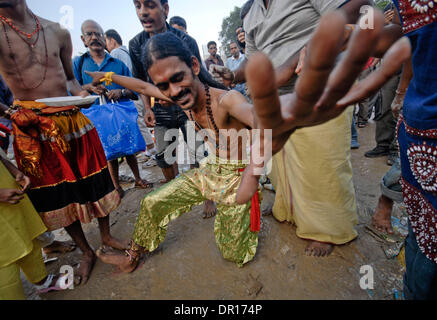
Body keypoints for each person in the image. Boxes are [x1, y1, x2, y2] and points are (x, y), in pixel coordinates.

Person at [0, 0, 126, 286]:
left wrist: (85, 91)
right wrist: (10, 113)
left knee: (97, 181)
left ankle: (106, 238)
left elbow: (70, 79)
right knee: (59, 194)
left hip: (73, 120)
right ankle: (86, 251)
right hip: (32, 128)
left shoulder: (57, 31)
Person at [129, 0, 219, 218]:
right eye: (138, 6)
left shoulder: (186, 41)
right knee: (163, 156)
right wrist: (147, 108)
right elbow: (141, 81)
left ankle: (208, 197)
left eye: (149, 5)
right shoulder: (136, 44)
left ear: (165, 9)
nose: (143, 12)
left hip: (187, 109)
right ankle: (174, 192)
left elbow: (198, 77)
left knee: (198, 152)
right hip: (159, 111)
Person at [74, 20, 153, 198]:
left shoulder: (117, 64)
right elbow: (72, 89)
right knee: (108, 151)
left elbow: (135, 88)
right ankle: (116, 186)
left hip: (120, 113)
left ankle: (138, 178)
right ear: (83, 39)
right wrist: (90, 88)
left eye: (98, 34)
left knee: (129, 147)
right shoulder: (79, 64)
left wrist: (121, 91)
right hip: (95, 117)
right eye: (89, 34)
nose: (94, 37)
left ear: (104, 38)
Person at [391, 0, 437, 299]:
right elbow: (410, 44)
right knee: (422, 225)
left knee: (426, 233)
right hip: (420, 127)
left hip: (425, 127)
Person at [0, 148, 70, 299]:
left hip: (10, 196)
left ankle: (43, 282)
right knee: (5, 268)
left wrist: (15, 172)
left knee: (28, 237)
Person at [105, 28, 157, 162]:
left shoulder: (115, 53)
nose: (106, 45)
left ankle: (152, 151)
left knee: (139, 122)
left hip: (131, 93)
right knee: (141, 121)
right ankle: (151, 150)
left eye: (106, 41)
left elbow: (116, 78)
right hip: (138, 91)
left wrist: (121, 91)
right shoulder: (127, 51)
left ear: (112, 40)